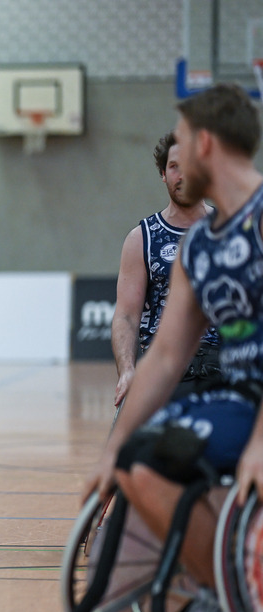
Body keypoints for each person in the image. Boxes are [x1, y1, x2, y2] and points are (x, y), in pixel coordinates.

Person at [86, 83, 263, 612]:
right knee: (141, 462)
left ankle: (226, 592)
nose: (177, 161)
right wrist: (113, 453)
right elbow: (164, 356)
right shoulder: (200, 248)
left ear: (206, 142)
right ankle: (212, 596)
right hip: (230, 395)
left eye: (185, 143)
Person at [112, 131, 220, 408]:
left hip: (225, 364)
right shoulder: (141, 239)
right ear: (163, 173)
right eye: (174, 167)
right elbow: (126, 315)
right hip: (163, 367)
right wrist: (127, 370)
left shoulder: (232, 229)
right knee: (127, 447)